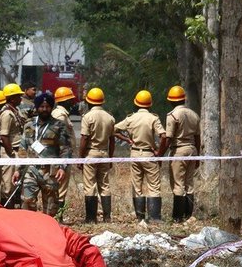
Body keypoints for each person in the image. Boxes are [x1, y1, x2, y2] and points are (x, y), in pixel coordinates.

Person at [114, 90, 167, 222]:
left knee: (137, 186)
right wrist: (159, 153)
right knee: (154, 186)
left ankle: (140, 218)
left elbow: (114, 130)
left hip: (135, 154)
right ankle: (154, 218)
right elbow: (163, 136)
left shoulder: (130, 118)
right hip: (149, 154)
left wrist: (126, 139)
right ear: (150, 104)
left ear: (136, 103)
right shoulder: (153, 118)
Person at [19, 91, 60, 216]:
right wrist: (18, 169)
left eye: (47, 107)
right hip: (31, 170)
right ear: (37, 108)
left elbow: (66, 149)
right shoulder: (29, 125)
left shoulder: (59, 126)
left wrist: (63, 168)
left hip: (50, 171)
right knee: (27, 201)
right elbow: (22, 148)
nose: (44, 109)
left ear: (51, 108)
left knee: (51, 208)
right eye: (42, 107)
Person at [79, 87, 116, 223]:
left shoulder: (87, 117)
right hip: (104, 154)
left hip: (91, 153)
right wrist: (110, 157)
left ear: (88, 102)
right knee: (105, 185)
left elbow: (84, 139)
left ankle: (91, 218)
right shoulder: (110, 117)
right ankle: (107, 217)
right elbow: (112, 141)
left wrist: (80, 157)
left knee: (90, 187)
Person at [165, 85, 201, 222]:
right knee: (189, 183)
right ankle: (188, 215)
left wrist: (160, 154)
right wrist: (198, 156)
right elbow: (198, 138)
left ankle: (177, 217)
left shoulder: (173, 115)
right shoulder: (194, 114)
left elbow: (168, 138)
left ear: (171, 101)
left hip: (179, 150)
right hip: (192, 149)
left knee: (178, 184)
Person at [50, 87, 76, 219]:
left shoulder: (62, 114)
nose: (73, 102)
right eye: (70, 99)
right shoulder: (60, 115)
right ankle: (57, 218)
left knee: (60, 188)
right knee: (61, 189)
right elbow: (60, 139)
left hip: (63, 156)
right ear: (65, 100)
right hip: (62, 157)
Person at [0, 83, 26, 202]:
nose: (20, 98)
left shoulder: (14, 111)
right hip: (10, 151)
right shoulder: (7, 114)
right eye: (19, 96)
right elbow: (4, 136)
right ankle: (5, 208)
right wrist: (12, 154)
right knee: (8, 184)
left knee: (15, 183)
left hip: (15, 150)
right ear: (12, 98)